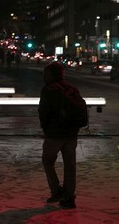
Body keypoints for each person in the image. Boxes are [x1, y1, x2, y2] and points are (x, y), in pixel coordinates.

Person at [38, 62, 82, 209]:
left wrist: (46, 129)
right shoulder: (72, 89)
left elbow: (43, 113)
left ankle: (56, 190)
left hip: (54, 135)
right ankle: (70, 198)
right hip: (71, 134)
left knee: (47, 161)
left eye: (46, 74)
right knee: (70, 166)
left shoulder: (49, 89)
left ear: (50, 75)